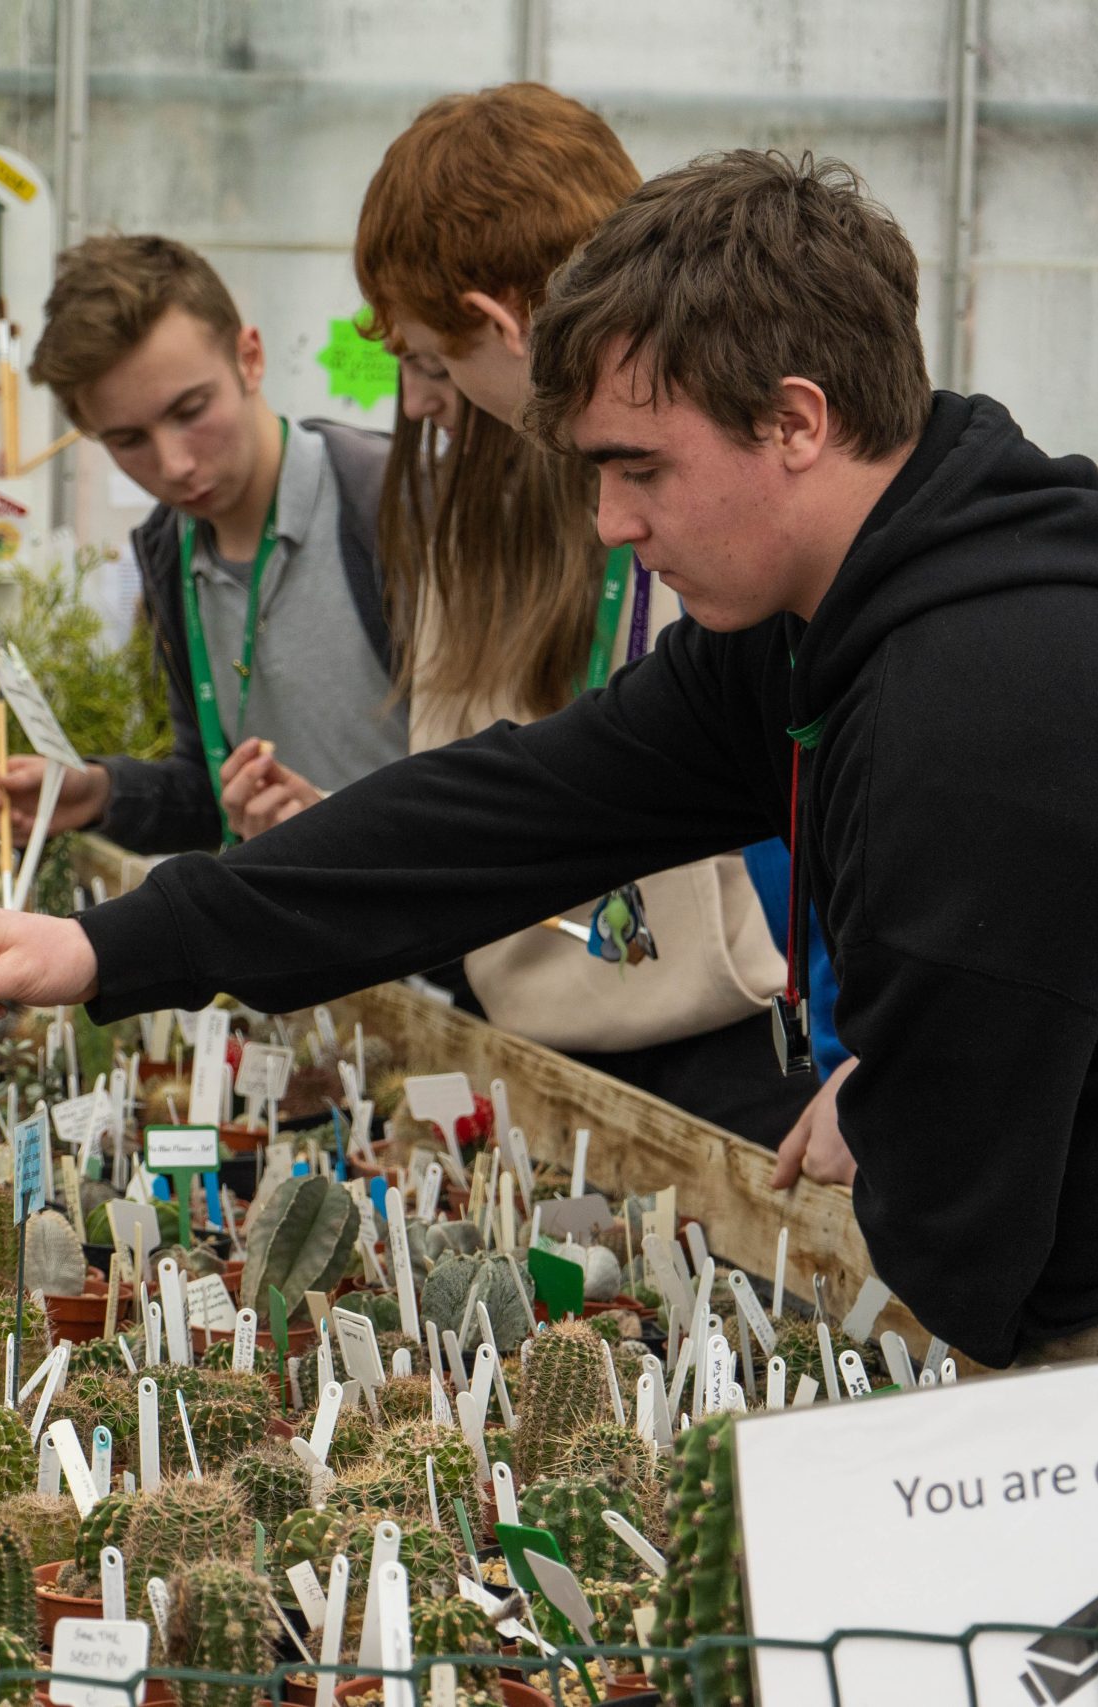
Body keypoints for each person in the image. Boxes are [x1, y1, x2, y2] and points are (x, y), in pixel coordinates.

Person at [0, 149, 1098, 1369]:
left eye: (639, 467)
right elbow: (507, 814)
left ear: (796, 419)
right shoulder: (833, 629)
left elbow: (966, 1240)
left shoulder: (989, 696)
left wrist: (897, 1098)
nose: (611, 524)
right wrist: (109, 944)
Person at [230, 82, 810, 1145]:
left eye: (426, 358)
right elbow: (495, 800)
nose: (416, 400)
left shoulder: (729, 509)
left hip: (751, 1049)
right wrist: (356, 839)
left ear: (501, 324)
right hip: (542, 1044)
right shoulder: (473, 513)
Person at [0, 235, 404, 856]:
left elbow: (502, 762)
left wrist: (339, 826)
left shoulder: (391, 507)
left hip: (448, 941)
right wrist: (99, 792)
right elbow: (212, 797)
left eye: (191, 410)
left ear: (249, 358)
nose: (174, 465)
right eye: (128, 440)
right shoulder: (170, 552)